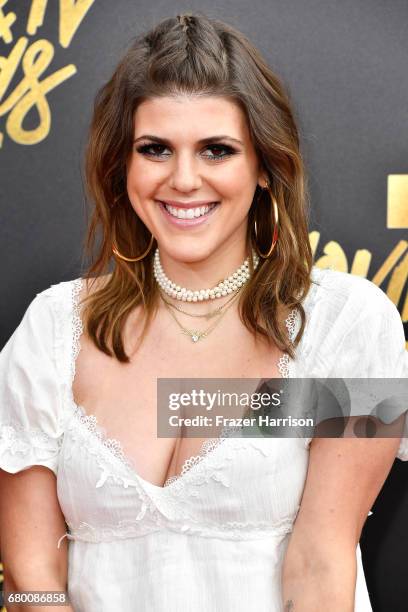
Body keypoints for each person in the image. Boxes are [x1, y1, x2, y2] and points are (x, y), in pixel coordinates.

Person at [0, 12, 407, 612]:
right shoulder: (53, 327)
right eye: (155, 149)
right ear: (123, 169)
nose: (183, 179)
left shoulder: (345, 324)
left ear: (265, 168)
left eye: (217, 150)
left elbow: (321, 564)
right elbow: (32, 572)